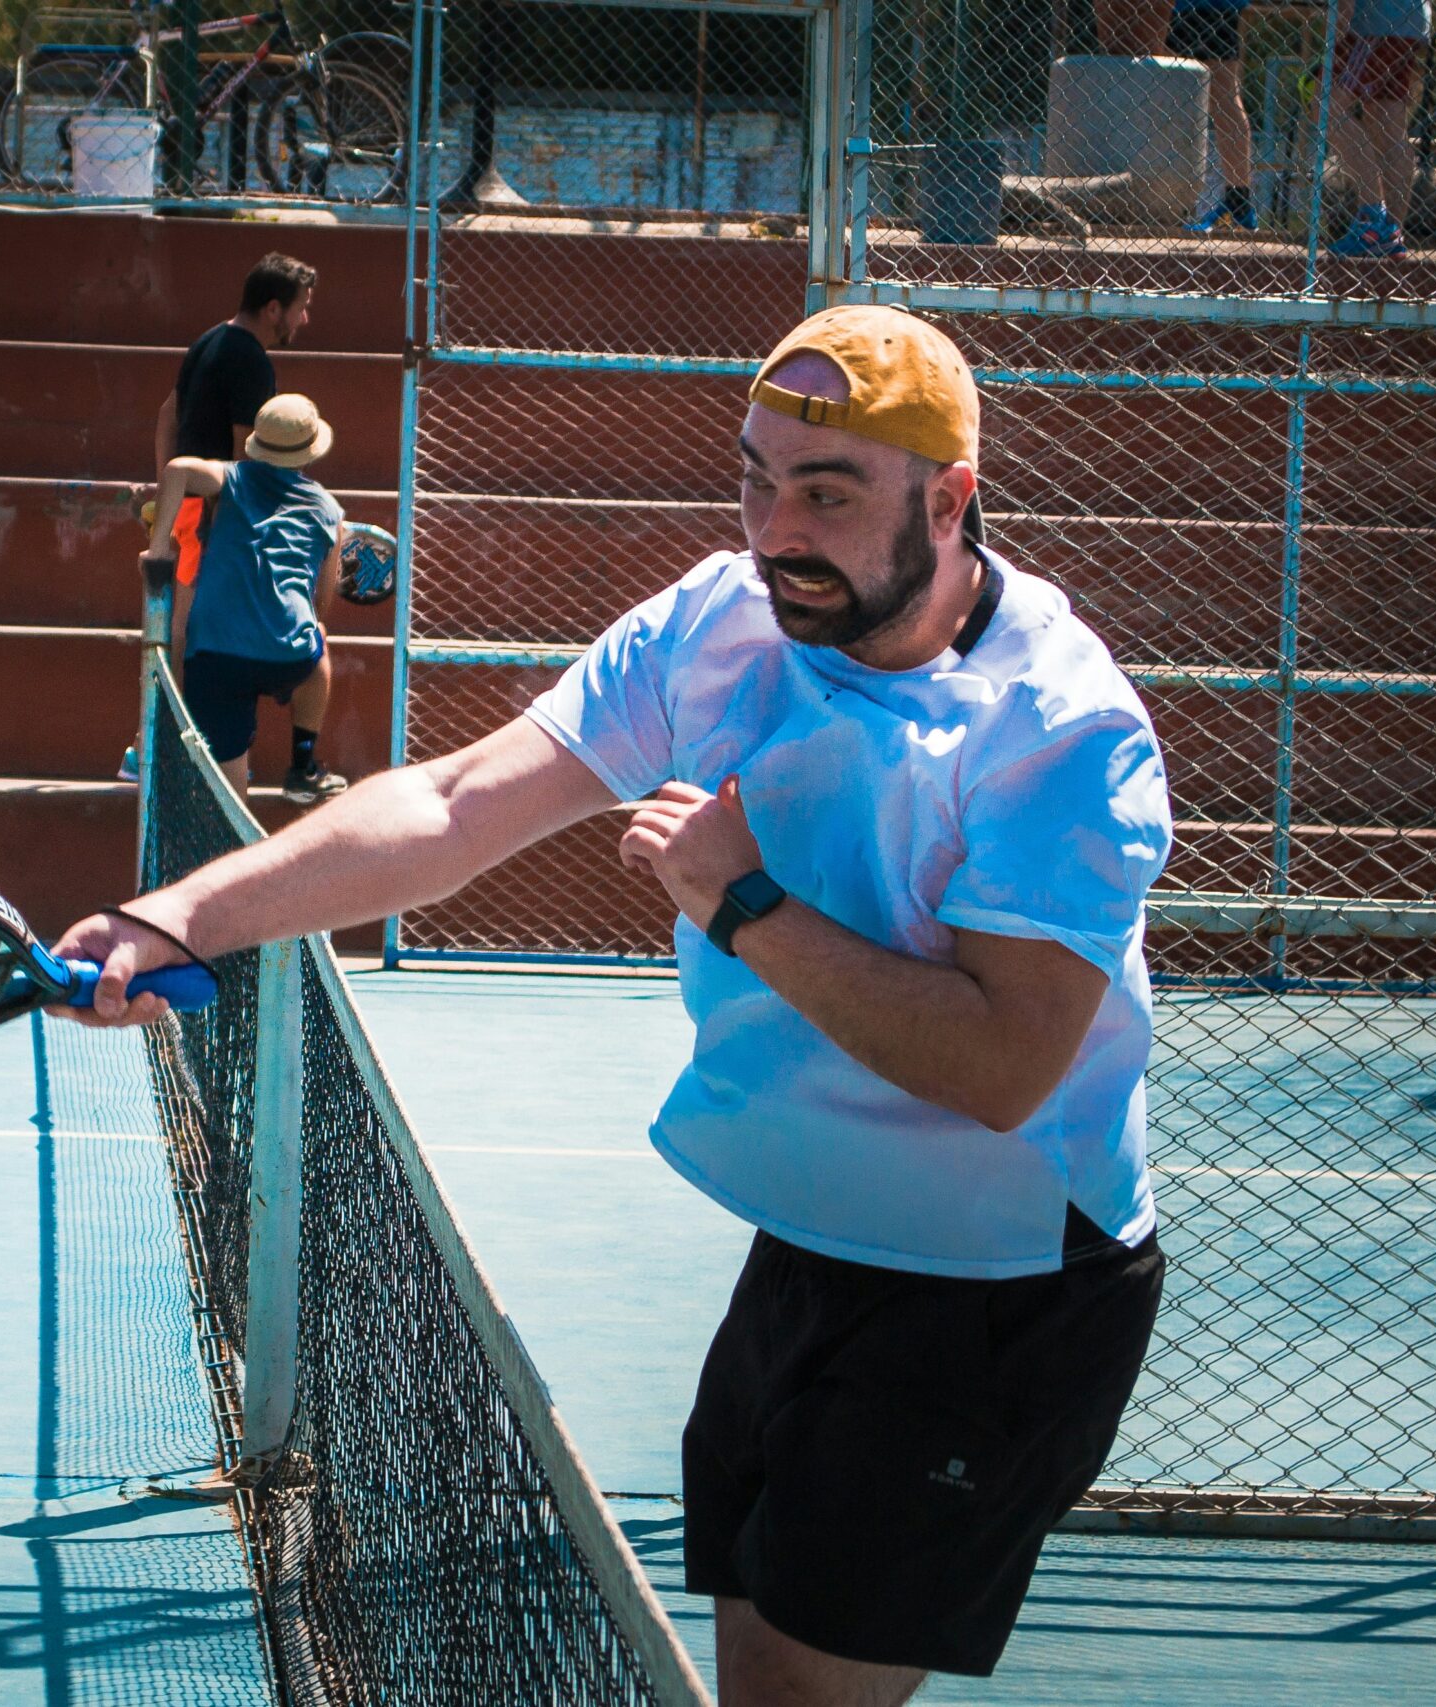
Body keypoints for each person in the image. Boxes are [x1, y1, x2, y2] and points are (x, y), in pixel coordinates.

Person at [62, 305, 1174, 1705]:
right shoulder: (724, 620)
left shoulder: (1061, 732)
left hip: (1000, 1284)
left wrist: (743, 906)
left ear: (951, 501)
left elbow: (1005, 1061)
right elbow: (460, 801)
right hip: (816, 1237)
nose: (777, 526)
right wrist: (187, 914)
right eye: (758, 477)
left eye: (827, 492)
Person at [120, 252, 319, 784]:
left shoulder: (209, 340)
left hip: (187, 505)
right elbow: (243, 458)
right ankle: (149, 749)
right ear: (273, 307)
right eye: (300, 310)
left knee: (178, 628)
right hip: (209, 514)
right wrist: (226, 524)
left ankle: (148, 745)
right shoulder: (252, 360)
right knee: (184, 631)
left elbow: (169, 413)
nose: (304, 321)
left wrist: (167, 489)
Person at [142, 392, 350, 804]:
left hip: (215, 655)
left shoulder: (232, 479)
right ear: (308, 455)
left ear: (259, 444)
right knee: (318, 639)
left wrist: (159, 549)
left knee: (228, 786)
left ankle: (232, 846)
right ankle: (303, 764)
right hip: (287, 655)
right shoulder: (329, 511)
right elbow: (321, 605)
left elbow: (178, 469)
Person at [1328, 0, 1432, 256]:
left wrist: (1340, 24)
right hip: (1411, 20)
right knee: (1386, 121)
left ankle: (1371, 216)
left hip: (1374, 23)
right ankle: (1390, 232)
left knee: (1327, 109)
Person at [1175, 0, 1260, 232]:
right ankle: (1236, 202)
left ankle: (1238, 202)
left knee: (1221, 93)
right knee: (1178, 93)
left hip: (1206, 7)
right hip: (1187, 8)